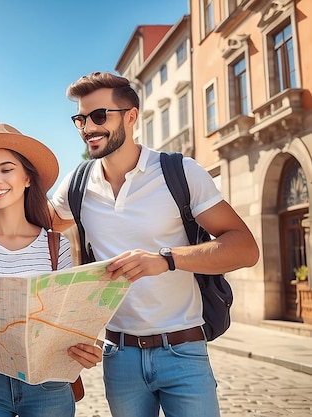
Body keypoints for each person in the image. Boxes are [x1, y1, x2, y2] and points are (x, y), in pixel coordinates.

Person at [49, 72, 259, 417]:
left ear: (130, 117)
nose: (88, 127)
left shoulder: (180, 172)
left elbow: (245, 248)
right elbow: (25, 222)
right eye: (80, 119)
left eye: (99, 116)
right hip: (119, 356)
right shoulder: (77, 183)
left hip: (184, 350)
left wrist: (166, 260)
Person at [0, 123, 101, 417]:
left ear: (28, 178)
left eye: (6, 169)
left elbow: (66, 322)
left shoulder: (57, 246)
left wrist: (85, 348)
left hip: (48, 384)